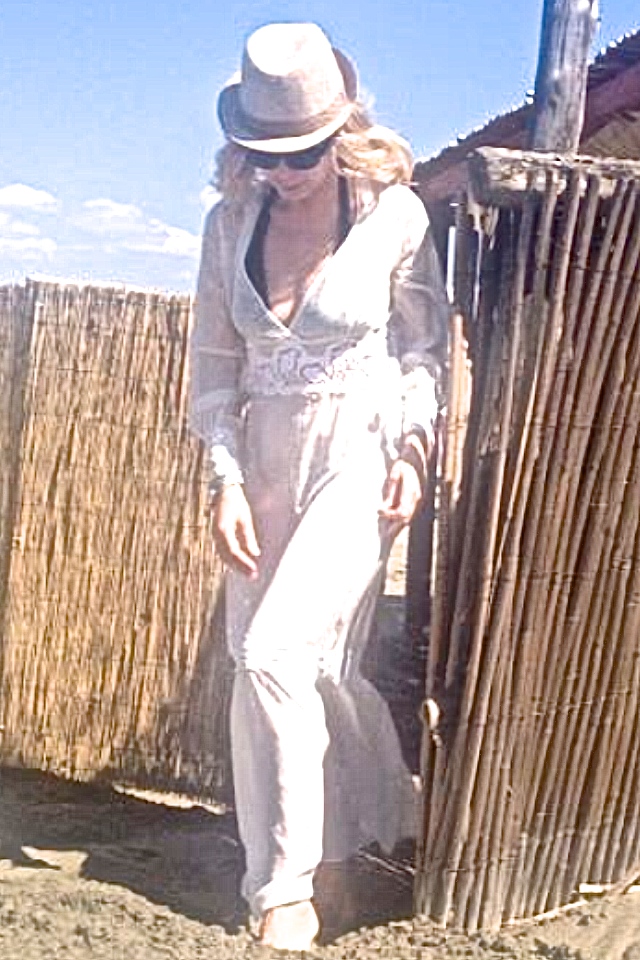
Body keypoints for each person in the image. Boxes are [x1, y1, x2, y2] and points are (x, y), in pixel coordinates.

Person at [190, 22, 448, 951]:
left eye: (301, 152)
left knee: (274, 653)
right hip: (262, 459)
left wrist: (413, 450)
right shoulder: (229, 226)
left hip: (357, 454)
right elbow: (215, 368)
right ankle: (351, 841)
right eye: (264, 154)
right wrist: (224, 480)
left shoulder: (396, 217)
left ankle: (284, 889)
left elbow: (423, 351)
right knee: (287, 668)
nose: (284, 170)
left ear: (340, 131)